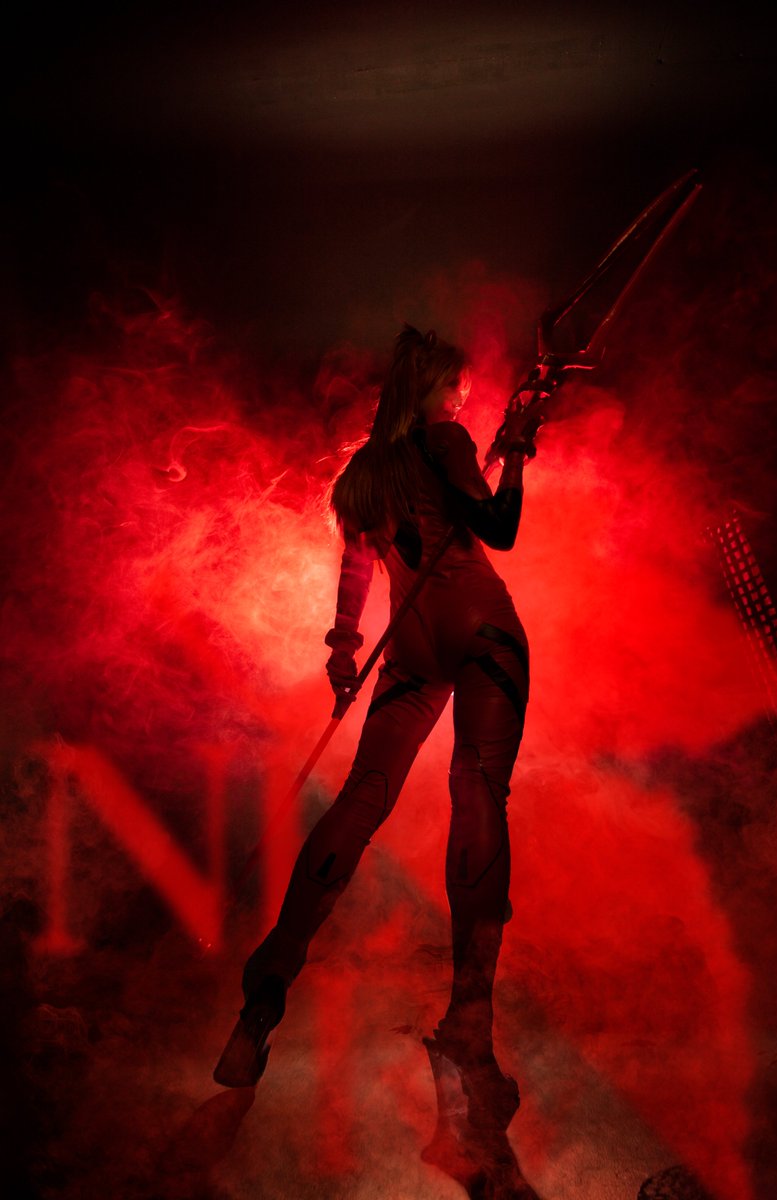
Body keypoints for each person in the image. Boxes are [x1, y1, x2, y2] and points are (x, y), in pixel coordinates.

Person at [214, 325, 540, 1132]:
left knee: (361, 800)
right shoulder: (446, 439)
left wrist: (343, 646)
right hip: (484, 635)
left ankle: (268, 981)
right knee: (479, 797)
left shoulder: (364, 473)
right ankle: (469, 1027)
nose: (463, 400)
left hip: (412, 650)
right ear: (433, 390)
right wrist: (517, 456)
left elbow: (359, 564)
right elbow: (498, 529)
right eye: (457, 388)